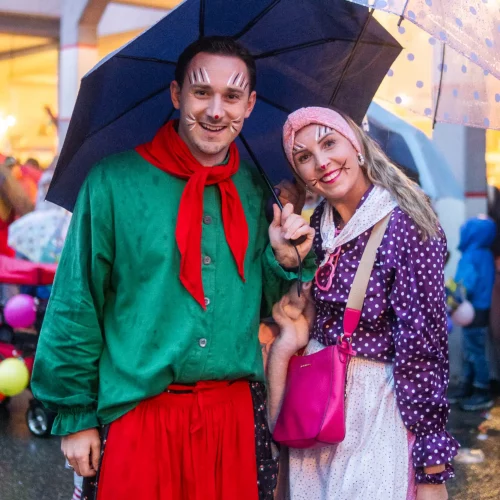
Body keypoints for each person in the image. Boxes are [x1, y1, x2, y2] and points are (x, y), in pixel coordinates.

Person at [31, 37, 316, 500]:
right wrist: (76, 418)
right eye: (202, 92)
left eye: (232, 96)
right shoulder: (113, 182)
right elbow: (76, 303)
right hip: (138, 417)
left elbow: (268, 305)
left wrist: (284, 258)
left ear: (250, 104)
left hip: (232, 422)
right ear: (176, 94)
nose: (216, 111)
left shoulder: (258, 191)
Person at [267, 107, 458, 500]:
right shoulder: (316, 228)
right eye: (304, 156)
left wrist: (432, 468)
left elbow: (423, 351)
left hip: (377, 412)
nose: (322, 162)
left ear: (355, 144)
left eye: (329, 143)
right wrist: (287, 260)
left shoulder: (408, 225)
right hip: (314, 409)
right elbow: (290, 313)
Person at [448, 215, 496, 411]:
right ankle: (469, 387)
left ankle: (481, 391)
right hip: (482, 309)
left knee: (473, 352)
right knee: (474, 349)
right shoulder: (486, 254)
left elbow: (463, 284)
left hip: (470, 310)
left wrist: (449, 303)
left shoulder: (471, 256)